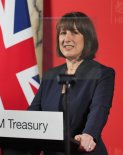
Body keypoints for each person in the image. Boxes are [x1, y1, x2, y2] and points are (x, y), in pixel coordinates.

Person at [28, 12, 115, 155]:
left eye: (74, 32)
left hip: (82, 151)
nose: (66, 39)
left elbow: (99, 108)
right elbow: (34, 112)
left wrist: (89, 134)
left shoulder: (102, 73)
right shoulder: (50, 75)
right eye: (63, 33)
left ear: (87, 38)